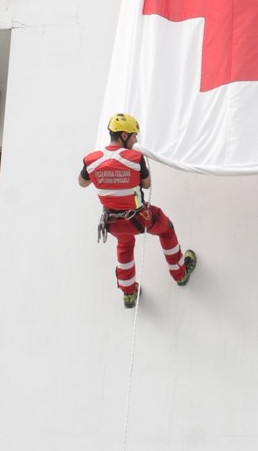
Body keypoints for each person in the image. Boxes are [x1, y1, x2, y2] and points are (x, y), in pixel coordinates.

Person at [79, 112, 196, 308]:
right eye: (134, 136)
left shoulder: (91, 160)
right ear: (124, 136)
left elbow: (83, 183)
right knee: (166, 229)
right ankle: (180, 273)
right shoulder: (134, 157)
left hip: (113, 223)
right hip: (139, 218)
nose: (136, 140)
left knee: (124, 247)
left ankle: (129, 293)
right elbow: (147, 184)